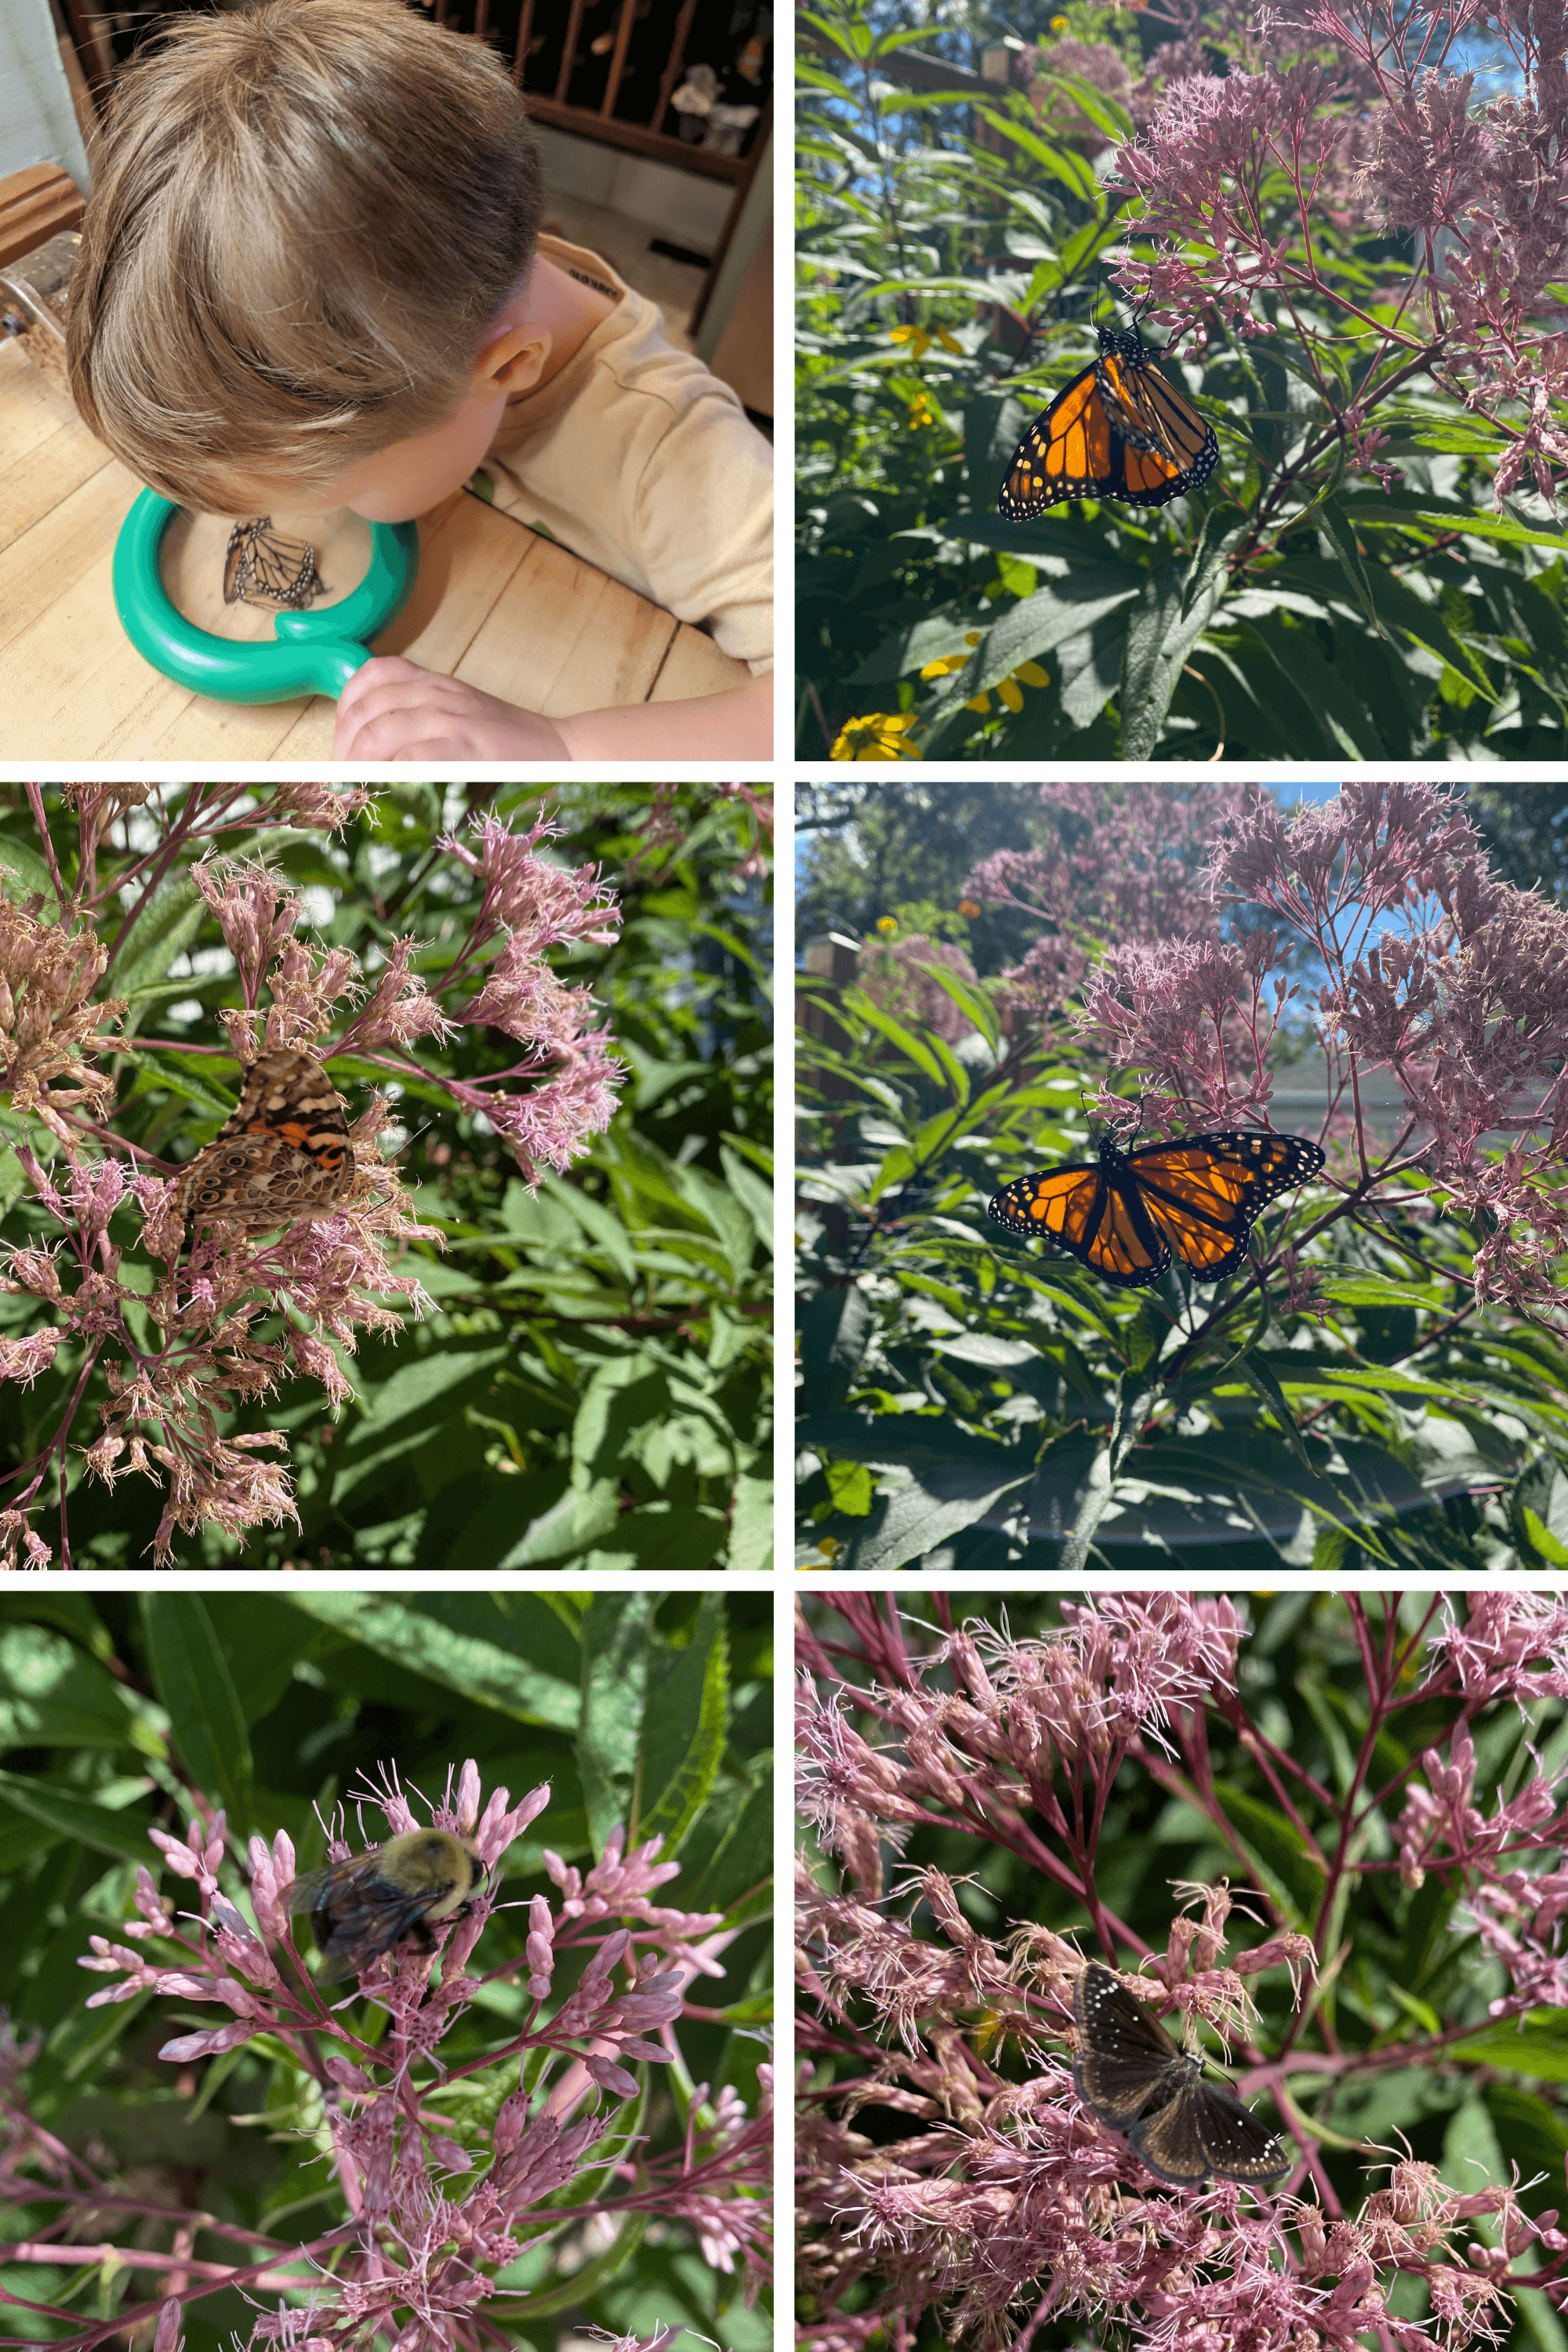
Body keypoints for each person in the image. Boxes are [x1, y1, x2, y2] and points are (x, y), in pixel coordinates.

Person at [67, 0, 772, 760]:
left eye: (331, 492)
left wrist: (566, 748)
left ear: (504, 369)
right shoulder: (438, 282)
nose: (318, 518)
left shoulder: (675, 457)